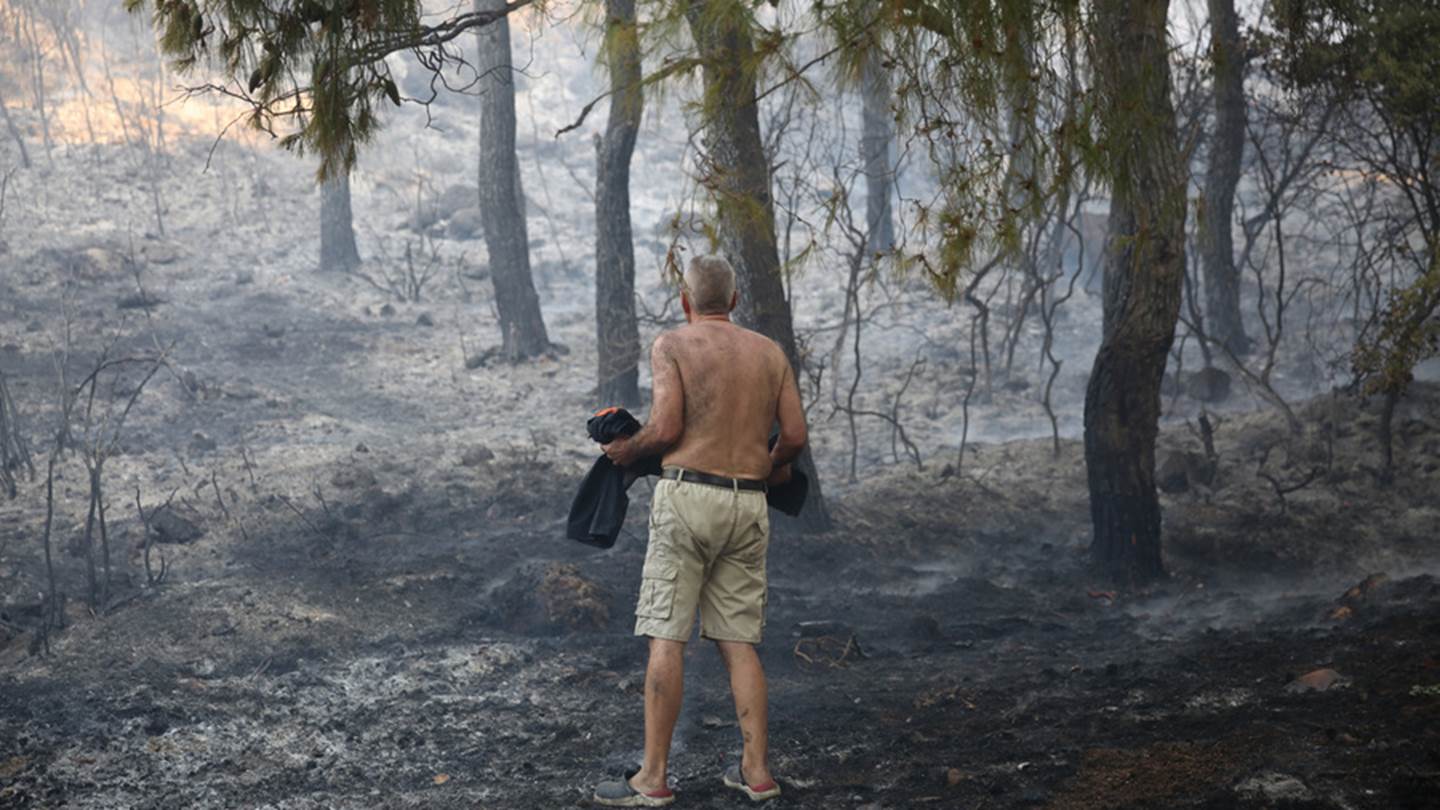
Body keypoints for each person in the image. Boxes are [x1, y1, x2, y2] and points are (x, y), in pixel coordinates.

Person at [591, 254, 807, 807]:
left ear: (686, 301)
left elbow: (665, 428)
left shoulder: (673, 345)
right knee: (739, 642)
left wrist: (626, 450)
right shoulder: (770, 353)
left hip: (688, 498)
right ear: (734, 301)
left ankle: (653, 779)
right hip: (748, 503)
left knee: (668, 636)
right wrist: (772, 464)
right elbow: (798, 437)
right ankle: (757, 773)